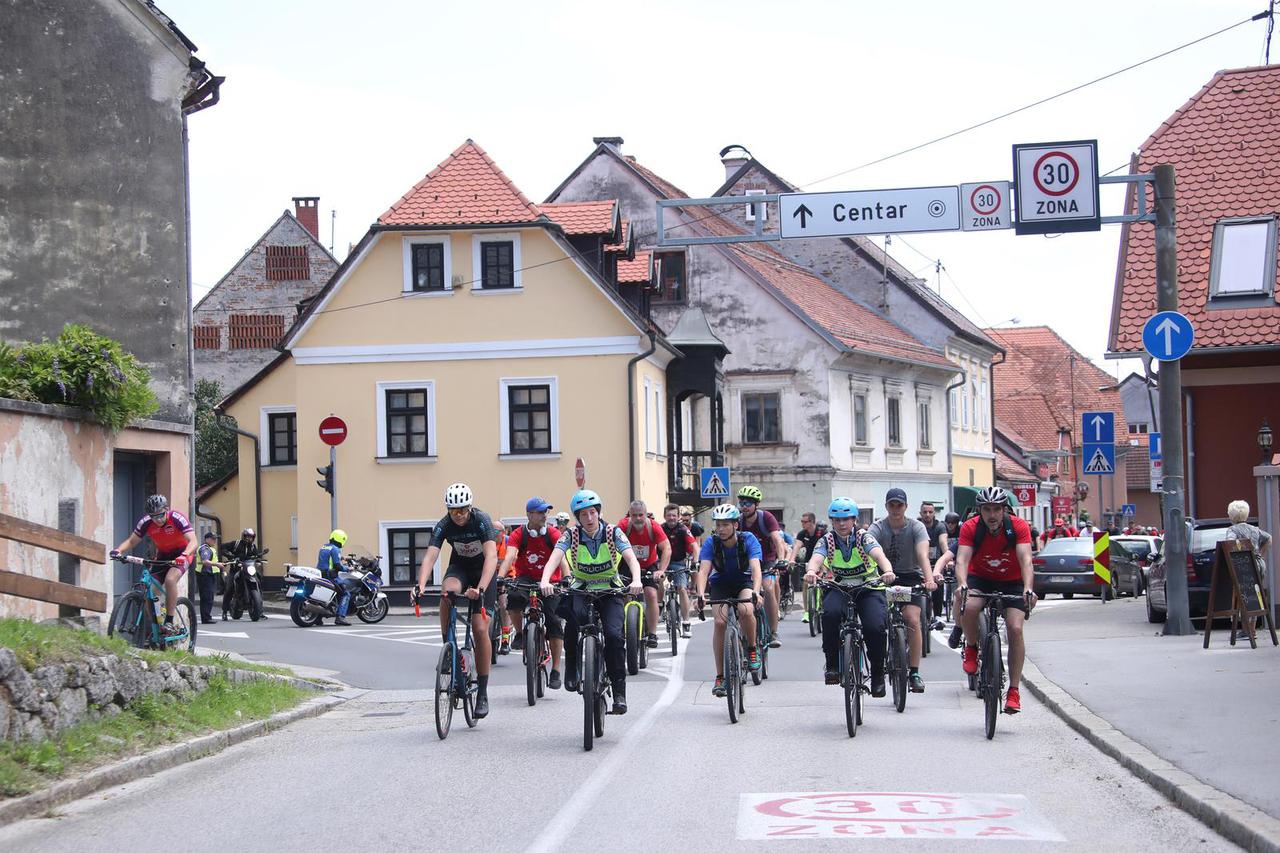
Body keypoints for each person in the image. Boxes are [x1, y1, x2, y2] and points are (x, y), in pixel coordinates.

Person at [540, 489, 643, 714]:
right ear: (577, 517)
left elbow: (631, 558)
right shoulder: (571, 535)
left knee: (614, 636)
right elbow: (554, 558)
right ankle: (572, 667)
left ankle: (619, 691)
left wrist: (636, 579)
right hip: (582, 589)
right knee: (572, 620)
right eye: (583, 514)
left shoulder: (613, 532)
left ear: (599, 512)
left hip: (610, 590)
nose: (588, 518)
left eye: (592, 513)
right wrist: (545, 580)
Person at [414, 483, 499, 719]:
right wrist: (420, 585)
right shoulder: (444, 524)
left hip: (483, 572)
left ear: (470, 507)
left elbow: (492, 556)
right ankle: (448, 648)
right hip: (460, 567)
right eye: (453, 511)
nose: (458, 515)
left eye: (462, 510)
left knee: (479, 628)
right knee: (447, 592)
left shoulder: (481, 520)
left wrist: (480, 588)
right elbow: (431, 556)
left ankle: (482, 693)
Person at [954, 486, 1036, 714]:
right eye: (987, 509)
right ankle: (971, 647)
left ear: (1004, 510)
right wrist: (962, 583)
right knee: (970, 605)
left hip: (1013, 580)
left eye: (996, 509)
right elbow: (962, 560)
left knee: (1015, 628)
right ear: (980, 510)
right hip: (980, 577)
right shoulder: (971, 527)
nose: (992, 515)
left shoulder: (1018, 526)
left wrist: (1028, 589)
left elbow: (1026, 560)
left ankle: (1014, 691)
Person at [804, 498, 893, 694]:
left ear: (854, 520)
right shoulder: (826, 540)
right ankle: (832, 665)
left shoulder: (864, 538)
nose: (841, 524)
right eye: (837, 520)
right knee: (830, 615)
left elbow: (879, 556)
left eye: (846, 519)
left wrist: (887, 571)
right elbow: (816, 558)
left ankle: (878, 674)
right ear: (832, 521)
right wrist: (811, 571)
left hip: (868, 587)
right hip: (839, 587)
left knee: (875, 626)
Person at [868, 488, 937, 693]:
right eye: (892, 505)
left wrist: (929, 579)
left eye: (899, 505)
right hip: (883, 576)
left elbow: (922, 555)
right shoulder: (877, 527)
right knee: (876, 621)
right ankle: (879, 663)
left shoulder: (916, 527)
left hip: (909, 576)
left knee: (913, 620)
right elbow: (868, 550)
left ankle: (914, 672)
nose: (896, 509)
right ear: (886, 506)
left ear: (906, 507)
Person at [695, 504, 763, 698]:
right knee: (719, 622)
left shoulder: (748, 540)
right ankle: (720, 677)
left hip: (744, 582)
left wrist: (756, 591)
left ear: (735, 525)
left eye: (725, 524)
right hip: (720, 584)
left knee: (746, 610)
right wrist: (700, 594)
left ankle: (752, 648)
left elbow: (756, 569)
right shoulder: (711, 542)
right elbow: (703, 571)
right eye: (718, 525)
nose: (721, 529)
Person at [499, 497, 565, 689]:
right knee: (513, 598)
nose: (545, 515)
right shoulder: (519, 534)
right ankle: (520, 634)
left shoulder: (552, 533)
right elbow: (510, 557)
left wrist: (567, 577)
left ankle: (556, 670)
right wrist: (501, 577)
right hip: (526, 578)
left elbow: (562, 559)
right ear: (529, 515)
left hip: (550, 580)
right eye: (540, 512)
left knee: (554, 621)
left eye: (546, 511)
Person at [110, 495, 197, 636]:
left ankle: (169, 621)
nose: (158, 520)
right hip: (163, 555)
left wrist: (184, 555)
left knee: (170, 580)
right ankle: (157, 626)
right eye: (153, 516)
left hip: (182, 553)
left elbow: (193, 541)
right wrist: (118, 550)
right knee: (148, 592)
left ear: (167, 510)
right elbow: (132, 541)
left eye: (161, 515)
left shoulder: (177, 518)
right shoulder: (145, 522)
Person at [736, 486, 788, 649]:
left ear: (756, 504)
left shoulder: (766, 517)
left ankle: (773, 632)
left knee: (769, 588)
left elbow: (777, 540)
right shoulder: (738, 521)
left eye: (748, 503)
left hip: (767, 559)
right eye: (742, 503)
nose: (744, 506)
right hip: (748, 561)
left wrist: (781, 560)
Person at [618, 500, 670, 648]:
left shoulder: (653, 526)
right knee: (623, 594)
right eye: (634, 515)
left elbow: (666, 548)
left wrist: (661, 570)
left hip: (649, 565)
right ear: (630, 515)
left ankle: (652, 633)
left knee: (651, 594)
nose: (638, 518)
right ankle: (626, 626)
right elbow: (610, 546)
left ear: (646, 514)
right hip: (627, 565)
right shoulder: (623, 526)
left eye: (641, 515)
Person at [660, 503, 698, 637]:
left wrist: (695, 562)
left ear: (678, 516)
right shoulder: (660, 529)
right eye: (669, 515)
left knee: (682, 589)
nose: (671, 518)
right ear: (664, 516)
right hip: (662, 563)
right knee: (658, 580)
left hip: (678, 563)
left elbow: (695, 546)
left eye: (674, 515)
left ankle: (686, 622)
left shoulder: (683, 529)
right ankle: (659, 606)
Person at [220, 527, 264, 621]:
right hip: (236, 569)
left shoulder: (253, 547)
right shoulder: (236, 544)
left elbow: (256, 555)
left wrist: (259, 559)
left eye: (251, 537)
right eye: (247, 537)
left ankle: (260, 611)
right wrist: (230, 555)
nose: (249, 539)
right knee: (229, 587)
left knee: (259, 581)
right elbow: (222, 547)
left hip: (248, 570)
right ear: (244, 536)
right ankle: (224, 611)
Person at [795, 512, 828, 624]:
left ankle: (824, 604)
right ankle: (806, 612)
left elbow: (828, 550)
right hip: (809, 561)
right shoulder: (802, 534)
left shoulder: (822, 533)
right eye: (801, 521)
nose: (802, 524)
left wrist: (825, 568)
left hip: (823, 559)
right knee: (806, 582)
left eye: (805, 522)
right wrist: (791, 560)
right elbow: (796, 547)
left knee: (824, 581)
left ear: (812, 522)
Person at [919, 501, 948, 630]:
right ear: (920, 513)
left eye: (930, 512)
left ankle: (937, 615)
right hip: (919, 563)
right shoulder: (917, 525)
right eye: (925, 512)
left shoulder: (940, 526)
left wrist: (948, 558)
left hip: (936, 563)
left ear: (934, 513)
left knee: (938, 583)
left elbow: (943, 542)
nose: (927, 514)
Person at [317, 528, 350, 626]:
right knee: (345, 594)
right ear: (341, 539)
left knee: (323, 596)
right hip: (330, 575)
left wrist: (342, 557)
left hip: (320, 574)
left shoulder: (324, 547)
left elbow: (328, 558)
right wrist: (348, 568)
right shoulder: (335, 549)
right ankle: (340, 617)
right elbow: (337, 565)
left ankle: (317, 618)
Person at [194, 531, 226, 625]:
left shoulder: (209, 548)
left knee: (207, 596)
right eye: (213, 539)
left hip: (207, 574)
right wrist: (217, 564)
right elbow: (205, 561)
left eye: (215, 539)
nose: (215, 541)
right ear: (207, 539)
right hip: (205, 575)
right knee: (207, 597)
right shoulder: (205, 549)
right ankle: (206, 618)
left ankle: (206, 617)